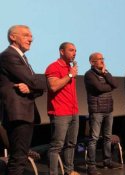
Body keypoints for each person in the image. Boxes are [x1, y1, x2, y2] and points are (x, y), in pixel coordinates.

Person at [0, 25, 46, 175]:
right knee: (18, 159)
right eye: (26, 35)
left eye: (31, 36)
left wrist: (31, 88)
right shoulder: (9, 55)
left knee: (19, 158)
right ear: (13, 37)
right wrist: (35, 85)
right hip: (17, 113)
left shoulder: (21, 57)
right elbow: (35, 81)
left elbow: (34, 85)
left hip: (24, 113)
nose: (31, 39)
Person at [84, 52, 122, 175]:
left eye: (102, 59)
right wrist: (108, 85)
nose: (102, 61)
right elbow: (99, 88)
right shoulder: (89, 75)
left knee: (107, 137)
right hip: (97, 111)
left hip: (108, 110)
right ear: (92, 62)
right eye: (99, 59)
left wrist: (106, 74)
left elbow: (115, 84)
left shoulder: (106, 72)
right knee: (94, 139)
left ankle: (107, 161)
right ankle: (91, 165)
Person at [45, 42, 80, 175]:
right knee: (56, 146)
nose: (74, 53)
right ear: (61, 51)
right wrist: (70, 75)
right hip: (60, 113)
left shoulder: (70, 68)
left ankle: (69, 171)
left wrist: (70, 73)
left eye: (75, 51)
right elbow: (53, 86)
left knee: (71, 144)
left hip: (73, 112)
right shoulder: (53, 67)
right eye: (71, 50)